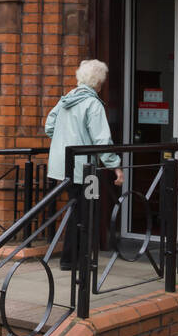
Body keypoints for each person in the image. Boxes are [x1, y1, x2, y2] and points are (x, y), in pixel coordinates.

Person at [44, 59, 123, 271]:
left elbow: (49, 126)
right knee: (88, 212)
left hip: (64, 167)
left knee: (75, 210)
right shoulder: (93, 104)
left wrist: (63, 140)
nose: (102, 85)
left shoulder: (66, 99)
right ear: (97, 81)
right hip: (88, 171)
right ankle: (79, 260)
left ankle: (70, 258)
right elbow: (101, 140)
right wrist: (116, 166)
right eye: (102, 81)